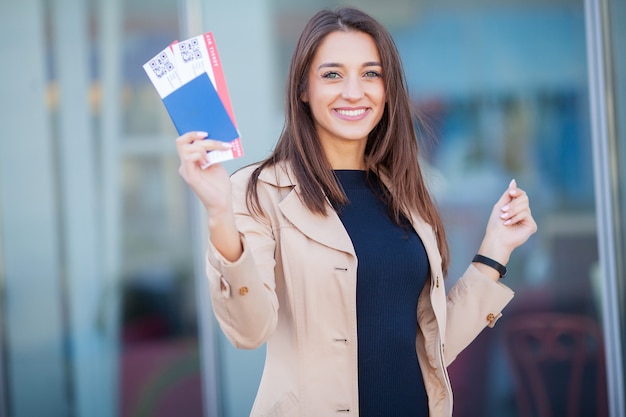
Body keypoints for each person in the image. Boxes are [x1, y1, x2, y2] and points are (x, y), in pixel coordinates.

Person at [175, 6, 537, 417]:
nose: (354, 91)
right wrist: (220, 213)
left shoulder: (405, 192)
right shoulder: (259, 192)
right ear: (303, 89)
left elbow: (429, 347)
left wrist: (495, 250)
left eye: (371, 73)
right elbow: (249, 329)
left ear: (388, 89)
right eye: (332, 74)